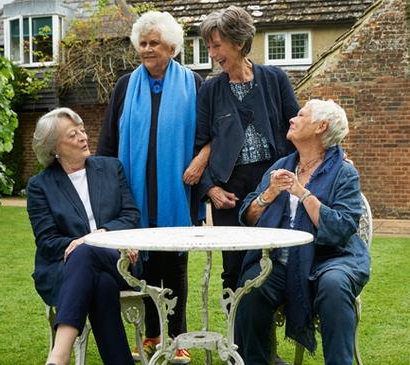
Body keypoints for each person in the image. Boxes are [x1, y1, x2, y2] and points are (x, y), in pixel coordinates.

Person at [96, 11, 208, 364]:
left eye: (153, 43)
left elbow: (209, 137)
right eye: (142, 43)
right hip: (134, 195)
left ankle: (177, 337)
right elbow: (108, 143)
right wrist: (107, 190)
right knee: (139, 266)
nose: (146, 49)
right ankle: (150, 336)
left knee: (173, 265)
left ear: (172, 48)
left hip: (178, 193)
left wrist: (201, 160)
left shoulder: (195, 84)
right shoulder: (125, 86)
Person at [234, 99, 371, 365]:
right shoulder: (281, 166)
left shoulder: (344, 173)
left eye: (300, 115)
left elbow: (343, 226)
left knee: (334, 285)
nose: (292, 119)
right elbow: (248, 217)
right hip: (280, 261)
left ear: (321, 126)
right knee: (251, 286)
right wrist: (270, 193)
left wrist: (303, 193)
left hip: (330, 258)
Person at [195, 6, 299, 291]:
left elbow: (296, 129)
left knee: (276, 260)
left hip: (272, 181)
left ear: (239, 43)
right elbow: (199, 143)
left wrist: (328, 155)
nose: (213, 54)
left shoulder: (274, 79)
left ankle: (264, 328)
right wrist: (210, 189)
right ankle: (233, 333)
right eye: (209, 47)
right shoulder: (210, 89)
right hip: (230, 190)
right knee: (233, 268)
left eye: (217, 46)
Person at [26, 108, 140, 365]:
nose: (82, 137)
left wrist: (100, 236)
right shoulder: (40, 186)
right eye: (72, 134)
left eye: (82, 130)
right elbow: (48, 242)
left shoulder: (111, 168)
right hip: (65, 269)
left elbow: (130, 215)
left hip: (118, 259)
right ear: (54, 147)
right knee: (100, 284)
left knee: (88, 249)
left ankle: (59, 354)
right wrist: (83, 245)